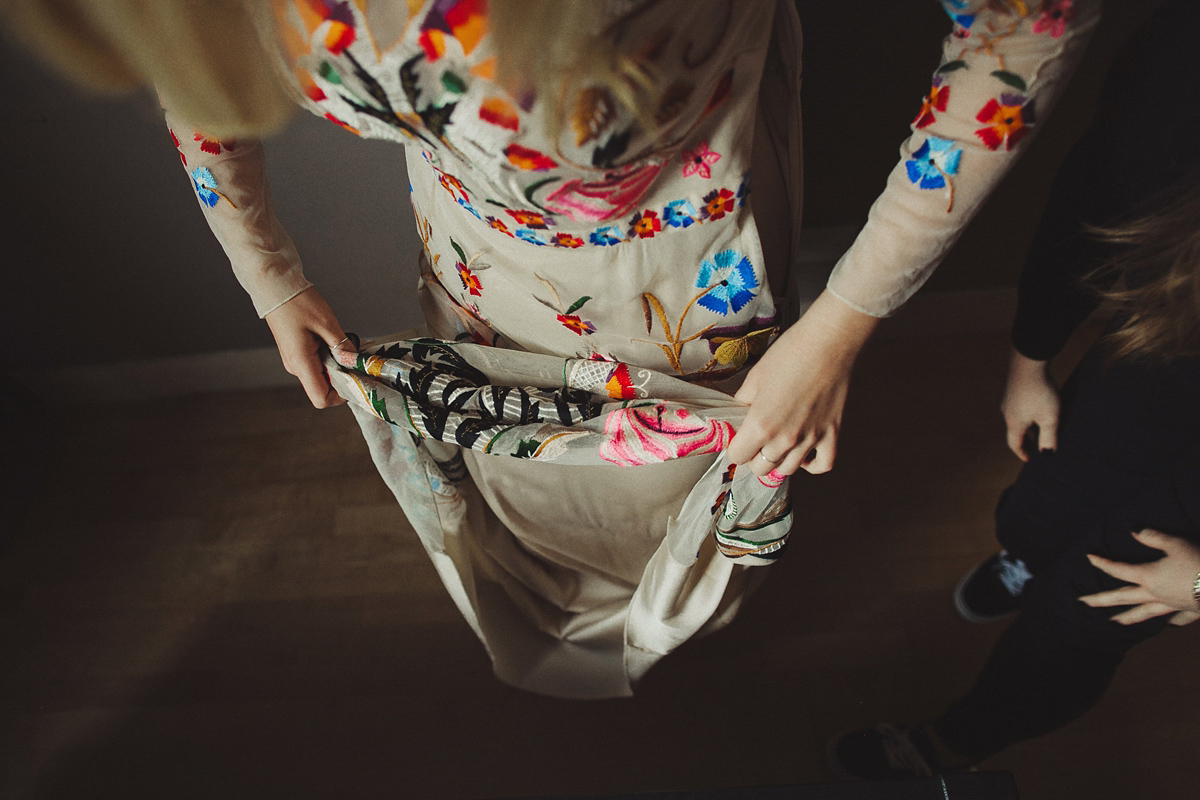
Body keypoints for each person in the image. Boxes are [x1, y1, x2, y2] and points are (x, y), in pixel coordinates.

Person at [1, 0, 1098, 698]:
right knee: (525, 488)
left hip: (691, 282)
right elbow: (190, 61)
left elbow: (1027, 23)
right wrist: (264, 265)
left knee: (672, 495)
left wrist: (845, 321)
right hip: (472, 275)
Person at [829, 0, 1200, 775]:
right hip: (1156, 359)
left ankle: (950, 747)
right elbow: (1089, 201)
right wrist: (1030, 360)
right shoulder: (1175, 66)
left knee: (1076, 624)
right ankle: (1024, 556)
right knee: (1051, 487)